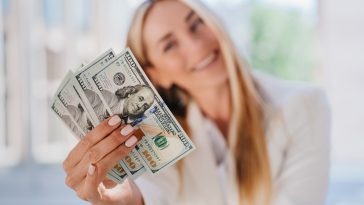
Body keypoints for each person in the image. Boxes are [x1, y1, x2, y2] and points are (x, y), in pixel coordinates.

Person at [62, 0, 330, 205]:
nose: (195, 44)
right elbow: (149, 194)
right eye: (170, 45)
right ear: (155, 75)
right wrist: (129, 201)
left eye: (196, 23)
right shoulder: (157, 140)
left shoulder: (305, 106)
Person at [84, 84, 155, 123]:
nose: (140, 106)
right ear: (130, 93)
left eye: (145, 106)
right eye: (140, 99)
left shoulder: (124, 124)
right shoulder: (108, 97)